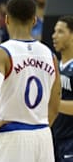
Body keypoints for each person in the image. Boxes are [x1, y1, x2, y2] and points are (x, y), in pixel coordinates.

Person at [0, 0, 61, 162]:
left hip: (12, 134)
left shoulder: (0, 53)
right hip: (43, 135)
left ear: (6, 20)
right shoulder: (50, 55)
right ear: (34, 20)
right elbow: (55, 104)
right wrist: (38, 128)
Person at [51, 16, 73, 162]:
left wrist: (51, 103)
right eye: (54, 31)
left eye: (60, 31)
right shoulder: (53, 66)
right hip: (53, 138)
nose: (54, 36)